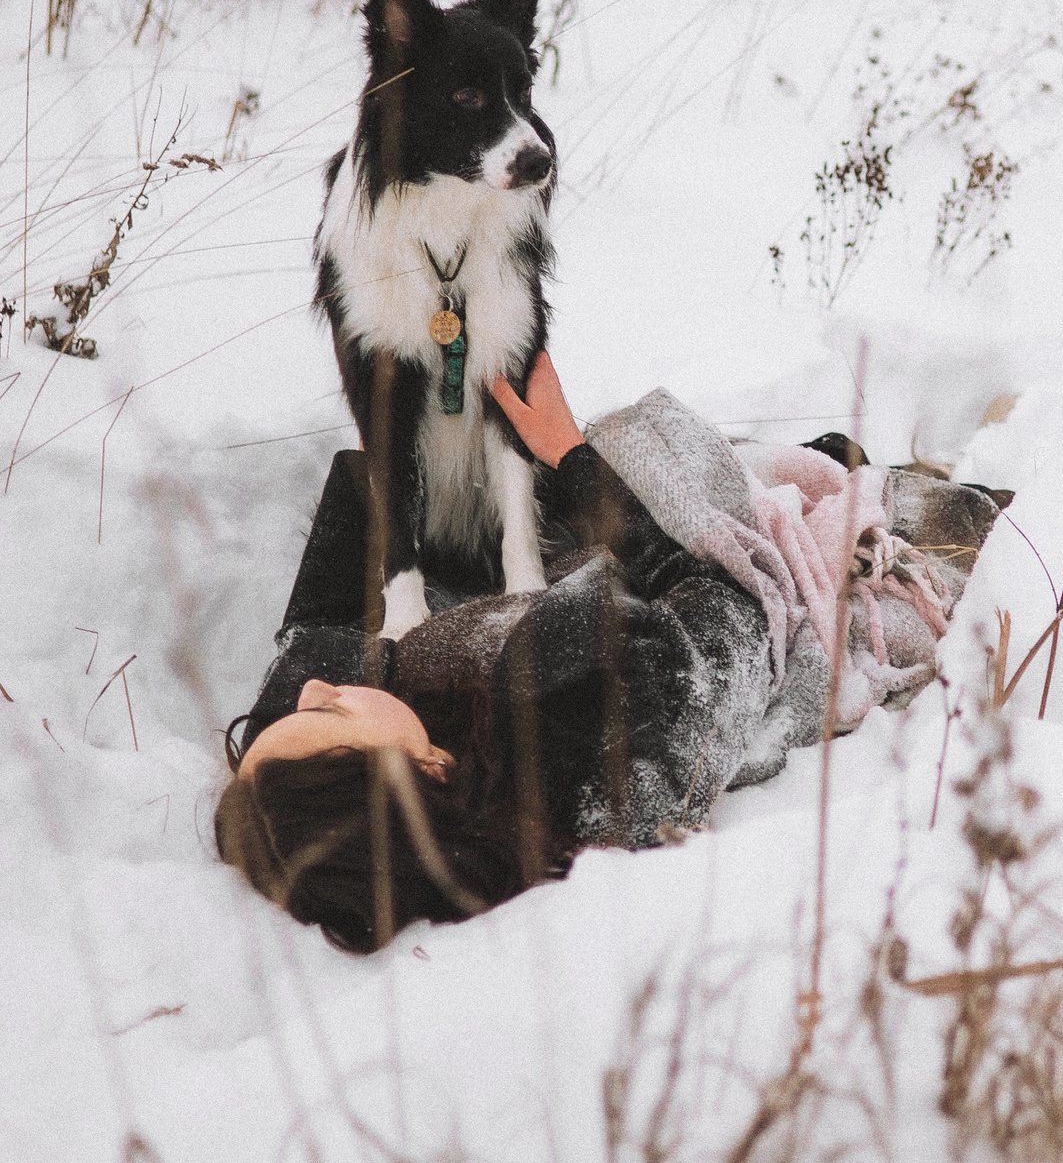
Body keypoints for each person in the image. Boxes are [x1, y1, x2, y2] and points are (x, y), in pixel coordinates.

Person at [215, 353, 1003, 953]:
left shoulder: (387, 724)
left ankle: (841, 456)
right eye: (324, 716)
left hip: (579, 576)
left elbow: (312, 639)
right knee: (970, 521)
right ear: (421, 776)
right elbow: (729, 599)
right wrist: (568, 457)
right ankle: (964, 475)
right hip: (767, 578)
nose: (317, 686)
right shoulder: (598, 749)